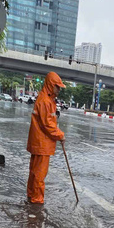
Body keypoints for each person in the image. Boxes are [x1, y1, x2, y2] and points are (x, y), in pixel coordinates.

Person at [26, 71, 66, 204]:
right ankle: (37, 199)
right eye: (57, 87)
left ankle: (32, 194)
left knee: (34, 171)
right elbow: (47, 124)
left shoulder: (46, 99)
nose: (59, 90)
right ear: (51, 85)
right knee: (39, 173)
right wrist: (60, 135)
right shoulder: (45, 101)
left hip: (39, 142)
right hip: (42, 143)